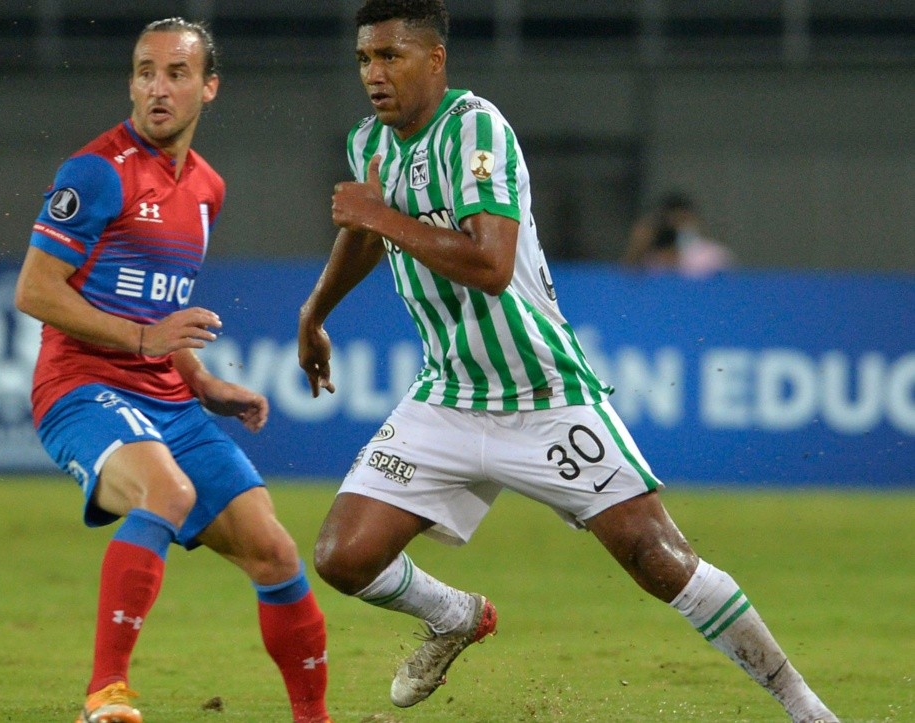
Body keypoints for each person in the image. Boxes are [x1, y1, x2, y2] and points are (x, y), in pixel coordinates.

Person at [295, 1, 838, 721]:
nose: (373, 74)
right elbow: (366, 234)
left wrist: (380, 217)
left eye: (391, 56)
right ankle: (456, 614)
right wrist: (315, 311)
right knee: (342, 555)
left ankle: (808, 710)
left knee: (658, 558)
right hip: (448, 394)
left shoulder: (476, 128)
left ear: (435, 59)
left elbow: (489, 262)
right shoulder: (371, 141)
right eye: (365, 58)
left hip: (542, 390)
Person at [13, 18, 331, 723]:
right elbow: (35, 290)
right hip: (81, 388)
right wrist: (141, 336)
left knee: (275, 551)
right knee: (167, 490)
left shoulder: (209, 187)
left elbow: (161, 302)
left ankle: (315, 718)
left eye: (177, 73)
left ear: (208, 87)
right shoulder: (95, 171)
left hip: (168, 398)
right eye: (144, 71)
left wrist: (202, 380)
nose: (157, 87)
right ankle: (106, 693)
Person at [622, 191, 733, 278]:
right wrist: (638, 244)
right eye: (672, 222)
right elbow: (625, 282)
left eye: (682, 220)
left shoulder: (714, 255)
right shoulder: (652, 261)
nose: (677, 227)